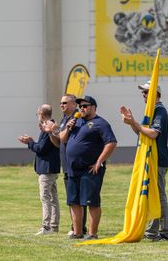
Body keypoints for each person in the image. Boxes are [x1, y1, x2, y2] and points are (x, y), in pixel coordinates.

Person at [60, 95, 117, 240]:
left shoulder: (100, 123)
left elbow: (111, 143)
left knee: (91, 202)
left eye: (85, 106)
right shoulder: (76, 121)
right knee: (74, 202)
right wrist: (68, 128)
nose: (82, 109)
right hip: (73, 169)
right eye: (80, 106)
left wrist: (99, 161)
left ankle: (92, 234)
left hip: (90, 170)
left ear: (93, 107)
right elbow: (63, 139)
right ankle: (77, 233)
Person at [120, 81, 168, 241]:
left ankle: (164, 232)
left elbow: (153, 133)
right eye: (143, 92)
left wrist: (135, 123)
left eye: (147, 92)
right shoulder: (151, 110)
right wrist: (131, 122)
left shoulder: (159, 111)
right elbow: (142, 133)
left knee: (159, 195)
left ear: (157, 94)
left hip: (157, 160)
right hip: (149, 158)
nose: (144, 95)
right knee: (151, 195)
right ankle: (152, 231)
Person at [43, 94, 87, 235]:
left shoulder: (77, 118)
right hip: (66, 165)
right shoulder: (64, 120)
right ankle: (75, 226)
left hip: (76, 165)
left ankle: (79, 228)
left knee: (78, 198)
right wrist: (51, 133)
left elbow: (70, 138)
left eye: (65, 103)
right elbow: (59, 143)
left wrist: (56, 130)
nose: (62, 105)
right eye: (61, 103)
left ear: (74, 104)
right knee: (71, 198)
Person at [18, 104, 60, 235]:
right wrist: (32, 141)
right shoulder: (50, 125)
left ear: (41, 114)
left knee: (45, 198)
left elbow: (41, 149)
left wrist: (29, 142)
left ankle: (47, 226)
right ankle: (53, 226)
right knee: (53, 198)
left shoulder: (48, 127)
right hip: (51, 168)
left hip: (47, 169)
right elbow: (43, 146)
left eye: (38, 114)